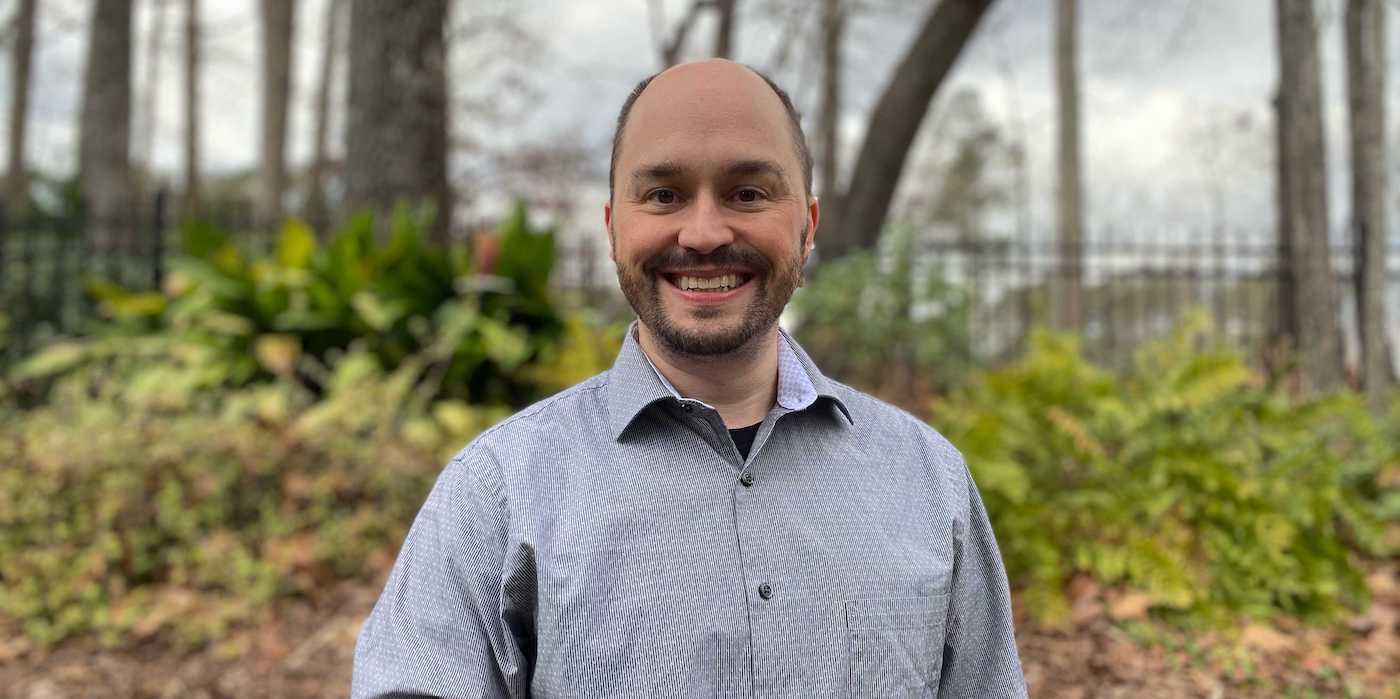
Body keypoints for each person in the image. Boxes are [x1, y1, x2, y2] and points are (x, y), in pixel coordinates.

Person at [351, 58, 1026, 698]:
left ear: (808, 226)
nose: (703, 232)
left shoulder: (930, 484)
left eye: (748, 192)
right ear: (614, 228)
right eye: (665, 194)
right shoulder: (498, 491)